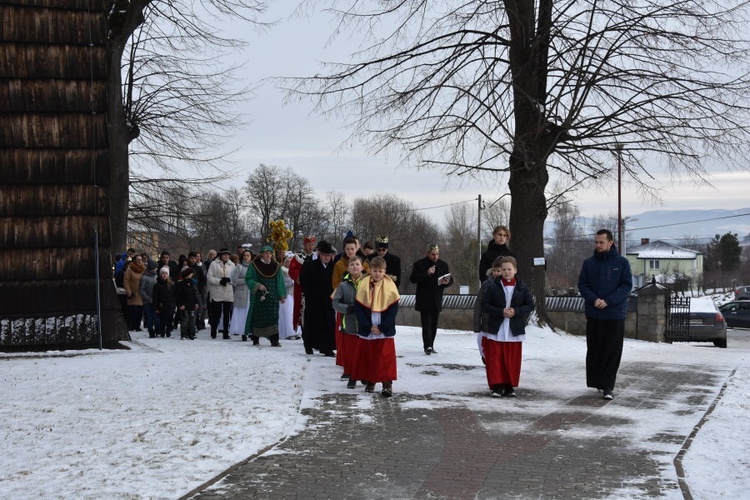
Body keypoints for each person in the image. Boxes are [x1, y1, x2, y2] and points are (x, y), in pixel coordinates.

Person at [578, 229, 633, 400]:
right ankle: (597, 381)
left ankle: (608, 385)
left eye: (601, 242)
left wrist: (608, 301)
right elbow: (583, 285)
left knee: (612, 350)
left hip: (614, 314)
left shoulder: (622, 263)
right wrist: (594, 300)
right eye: (596, 242)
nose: (598, 245)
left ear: (610, 242)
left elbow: (626, 286)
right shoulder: (589, 263)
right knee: (595, 349)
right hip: (594, 313)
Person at [480, 256, 535, 397]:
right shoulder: (493, 286)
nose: (506, 272)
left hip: (514, 328)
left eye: (509, 269)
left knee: (511, 359)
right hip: (496, 327)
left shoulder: (522, 287)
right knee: (495, 358)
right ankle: (497, 386)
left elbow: (530, 305)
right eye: (503, 269)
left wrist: (516, 311)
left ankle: (509, 386)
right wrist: (500, 312)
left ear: (515, 270)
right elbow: (485, 305)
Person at [352, 256, 400, 397]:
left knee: (385, 356)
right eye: (374, 271)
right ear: (370, 270)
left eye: (380, 271)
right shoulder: (363, 284)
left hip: (384, 326)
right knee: (370, 355)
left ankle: (387, 384)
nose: (377, 273)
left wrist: (383, 327)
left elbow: (393, 310)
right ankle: (371, 380)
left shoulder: (390, 285)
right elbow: (359, 308)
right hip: (369, 325)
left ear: (384, 271)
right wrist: (368, 326)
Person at [409, 244, 453, 355]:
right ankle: (427, 345)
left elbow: (450, 279)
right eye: (433, 254)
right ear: (427, 253)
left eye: (437, 254)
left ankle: (431, 345)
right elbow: (413, 279)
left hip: (436, 298)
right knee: (426, 323)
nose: (435, 257)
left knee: (434, 323)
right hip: (424, 298)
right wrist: (427, 273)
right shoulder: (419, 264)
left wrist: (447, 282)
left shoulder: (443, 265)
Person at [331, 255, 366, 388]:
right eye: (352, 265)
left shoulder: (368, 282)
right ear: (348, 268)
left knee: (363, 352)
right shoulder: (343, 285)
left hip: (364, 324)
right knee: (351, 353)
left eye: (357, 264)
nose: (355, 267)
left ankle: (363, 375)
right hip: (349, 324)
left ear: (362, 267)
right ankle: (351, 375)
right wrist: (348, 309)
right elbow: (335, 303)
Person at [299, 240, 337, 356]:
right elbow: (304, 281)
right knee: (312, 323)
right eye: (325, 255)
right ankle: (309, 344)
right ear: (320, 254)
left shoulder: (333, 266)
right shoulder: (310, 265)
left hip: (328, 300)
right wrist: (309, 294)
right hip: (314, 300)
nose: (327, 257)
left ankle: (327, 347)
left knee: (328, 323)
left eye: (329, 255)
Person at [244, 245, 287, 346]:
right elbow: (248, 278)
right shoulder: (254, 265)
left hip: (272, 297)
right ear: (262, 254)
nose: (268, 255)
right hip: (259, 297)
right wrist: (257, 285)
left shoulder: (276, 266)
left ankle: (274, 340)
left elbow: (280, 281)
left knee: (273, 317)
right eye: (266, 253)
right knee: (258, 316)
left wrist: (281, 295)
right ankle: (255, 338)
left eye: (270, 254)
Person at [288, 235, 316, 332]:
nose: (311, 247)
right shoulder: (297, 257)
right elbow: (292, 270)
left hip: (314, 288)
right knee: (301, 309)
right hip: (301, 288)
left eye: (312, 245)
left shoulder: (316, 256)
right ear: (304, 245)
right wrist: (300, 278)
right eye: (309, 245)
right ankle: (303, 329)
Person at [206, 248, 235, 339]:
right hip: (217, 292)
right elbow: (209, 277)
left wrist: (229, 280)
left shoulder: (232, 265)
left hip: (228, 292)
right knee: (216, 314)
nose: (226, 256)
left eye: (227, 254)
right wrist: (219, 281)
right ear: (220, 255)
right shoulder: (214, 264)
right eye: (224, 254)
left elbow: (235, 277)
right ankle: (213, 331)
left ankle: (226, 333)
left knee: (227, 314)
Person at [228, 250, 253, 337]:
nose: (246, 257)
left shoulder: (253, 268)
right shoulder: (239, 267)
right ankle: (243, 332)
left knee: (250, 312)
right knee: (242, 313)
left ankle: (250, 331)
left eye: (248, 255)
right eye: (245, 255)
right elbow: (234, 280)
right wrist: (245, 280)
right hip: (242, 293)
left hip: (251, 293)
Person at [175, 266, 201, 340]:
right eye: (190, 274)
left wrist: (196, 303)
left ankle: (191, 333)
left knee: (192, 320)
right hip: (184, 305)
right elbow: (178, 295)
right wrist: (180, 304)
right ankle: (183, 334)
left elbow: (194, 294)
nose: (191, 275)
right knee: (184, 320)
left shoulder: (192, 284)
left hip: (192, 304)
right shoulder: (180, 284)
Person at [278, 251, 299, 340]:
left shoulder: (293, 270)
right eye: (287, 262)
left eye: (290, 262)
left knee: (293, 313)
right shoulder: (282, 270)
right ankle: (288, 332)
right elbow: (282, 283)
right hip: (286, 295)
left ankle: (295, 331)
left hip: (293, 294)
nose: (289, 263)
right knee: (287, 314)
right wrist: (292, 282)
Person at [123, 254, 146, 331]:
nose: (139, 261)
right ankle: (131, 325)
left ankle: (137, 326)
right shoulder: (130, 270)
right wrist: (128, 290)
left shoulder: (143, 269)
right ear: (134, 261)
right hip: (133, 293)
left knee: (140, 311)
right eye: (138, 260)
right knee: (133, 310)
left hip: (141, 293)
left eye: (141, 260)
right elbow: (126, 281)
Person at [152, 266, 176, 338]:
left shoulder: (171, 284)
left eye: (166, 273)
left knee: (170, 319)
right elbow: (155, 297)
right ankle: (162, 332)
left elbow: (174, 295)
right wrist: (156, 307)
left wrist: (174, 304)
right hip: (161, 305)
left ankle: (168, 332)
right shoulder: (157, 285)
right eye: (163, 273)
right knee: (162, 320)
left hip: (170, 305)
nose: (164, 275)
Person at [139, 261, 159, 337]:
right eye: (155, 268)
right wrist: (148, 299)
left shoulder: (156, 277)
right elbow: (142, 290)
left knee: (157, 318)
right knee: (149, 318)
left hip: (156, 301)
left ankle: (158, 330)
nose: (156, 269)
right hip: (148, 301)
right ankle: (151, 332)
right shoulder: (144, 278)